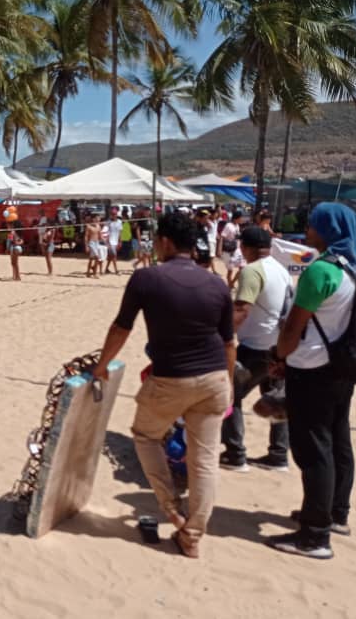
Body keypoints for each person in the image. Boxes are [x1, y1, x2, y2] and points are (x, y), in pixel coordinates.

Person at [95, 212, 235, 558]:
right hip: (215, 377)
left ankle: (172, 511)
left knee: (145, 436)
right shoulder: (216, 283)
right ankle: (193, 535)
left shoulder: (147, 278)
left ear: (166, 242)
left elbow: (121, 328)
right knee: (204, 459)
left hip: (172, 378)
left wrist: (101, 366)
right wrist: (228, 383)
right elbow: (229, 342)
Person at [266, 203, 356, 560]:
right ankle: (336, 513)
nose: (308, 230)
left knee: (313, 450)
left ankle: (314, 534)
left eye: (313, 225)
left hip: (312, 367)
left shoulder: (321, 270)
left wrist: (279, 357)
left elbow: (294, 326)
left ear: (326, 229)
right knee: (339, 440)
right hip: (343, 365)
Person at [219, 226, 292, 473]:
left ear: (244, 248)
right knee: (276, 398)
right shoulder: (280, 269)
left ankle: (235, 453)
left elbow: (242, 309)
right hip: (277, 345)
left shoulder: (252, 270)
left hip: (256, 347)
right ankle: (279, 454)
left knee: (231, 394)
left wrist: (221, 338)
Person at [85, 214, 106, 278]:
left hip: (97, 242)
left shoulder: (98, 226)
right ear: (93, 219)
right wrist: (86, 245)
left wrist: (105, 241)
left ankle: (88, 272)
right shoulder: (88, 226)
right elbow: (86, 236)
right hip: (91, 243)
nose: (98, 220)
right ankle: (95, 273)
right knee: (97, 257)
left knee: (91, 259)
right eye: (97, 218)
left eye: (99, 219)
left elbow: (100, 235)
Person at [105, 207, 123, 275]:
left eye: (114, 214)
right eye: (112, 214)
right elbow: (106, 232)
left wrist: (120, 241)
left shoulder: (119, 222)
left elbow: (120, 232)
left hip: (116, 241)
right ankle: (116, 270)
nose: (113, 215)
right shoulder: (108, 222)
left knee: (111, 256)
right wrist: (107, 242)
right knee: (114, 256)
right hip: (110, 241)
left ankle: (106, 268)